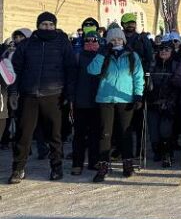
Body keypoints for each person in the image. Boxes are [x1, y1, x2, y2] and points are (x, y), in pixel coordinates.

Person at [8, 12, 76, 184]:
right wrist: (14, 92)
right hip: (29, 95)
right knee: (23, 134)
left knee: (54, 135)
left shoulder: (63, 43)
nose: (48, 27)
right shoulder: (27, 44)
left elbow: (70, 69)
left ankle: (56, 167)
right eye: (44, 24)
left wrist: (69, 93)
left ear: (55, 26)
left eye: (51, 25)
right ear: (38, 25)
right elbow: (15, 69)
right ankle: (18, 168)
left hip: (54, 95)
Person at [87, 23, 145, 182]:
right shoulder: (103, 54)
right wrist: (101, 54)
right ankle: (103, 165)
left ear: (124, 40)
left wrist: (138, 95)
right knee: (105, 133)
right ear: (108, 41)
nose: (117, 41)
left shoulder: (132, 56)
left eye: (120, 38)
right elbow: (91, 70)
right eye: (113, 39)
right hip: (105, 98)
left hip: (125, 98)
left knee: (125, 133)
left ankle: (128, 164)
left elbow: (138, 77)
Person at [71, 29, 102, 175]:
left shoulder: (102, 56)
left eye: (94, 40)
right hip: (81, 101)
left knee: (95, 134)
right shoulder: (77, 56)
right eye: (87, 40)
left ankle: (94, 161)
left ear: (99, 42)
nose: (90, 42)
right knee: (79, 135)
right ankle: (77, 163)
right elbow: (72, 79)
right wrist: (71, 97)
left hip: (97, 101)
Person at [146, 40, 178, 167]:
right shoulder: (153, 64)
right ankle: (157, 151)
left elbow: (178, 84)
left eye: (167, 49)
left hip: (169, 103)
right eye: (161, 49)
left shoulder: (175, 64)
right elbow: (147, 81)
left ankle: (167, 154)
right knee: (153, 131)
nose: (163, 52)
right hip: (153, 102)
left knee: (165, 130)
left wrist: (171, 101)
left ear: (172, 51)